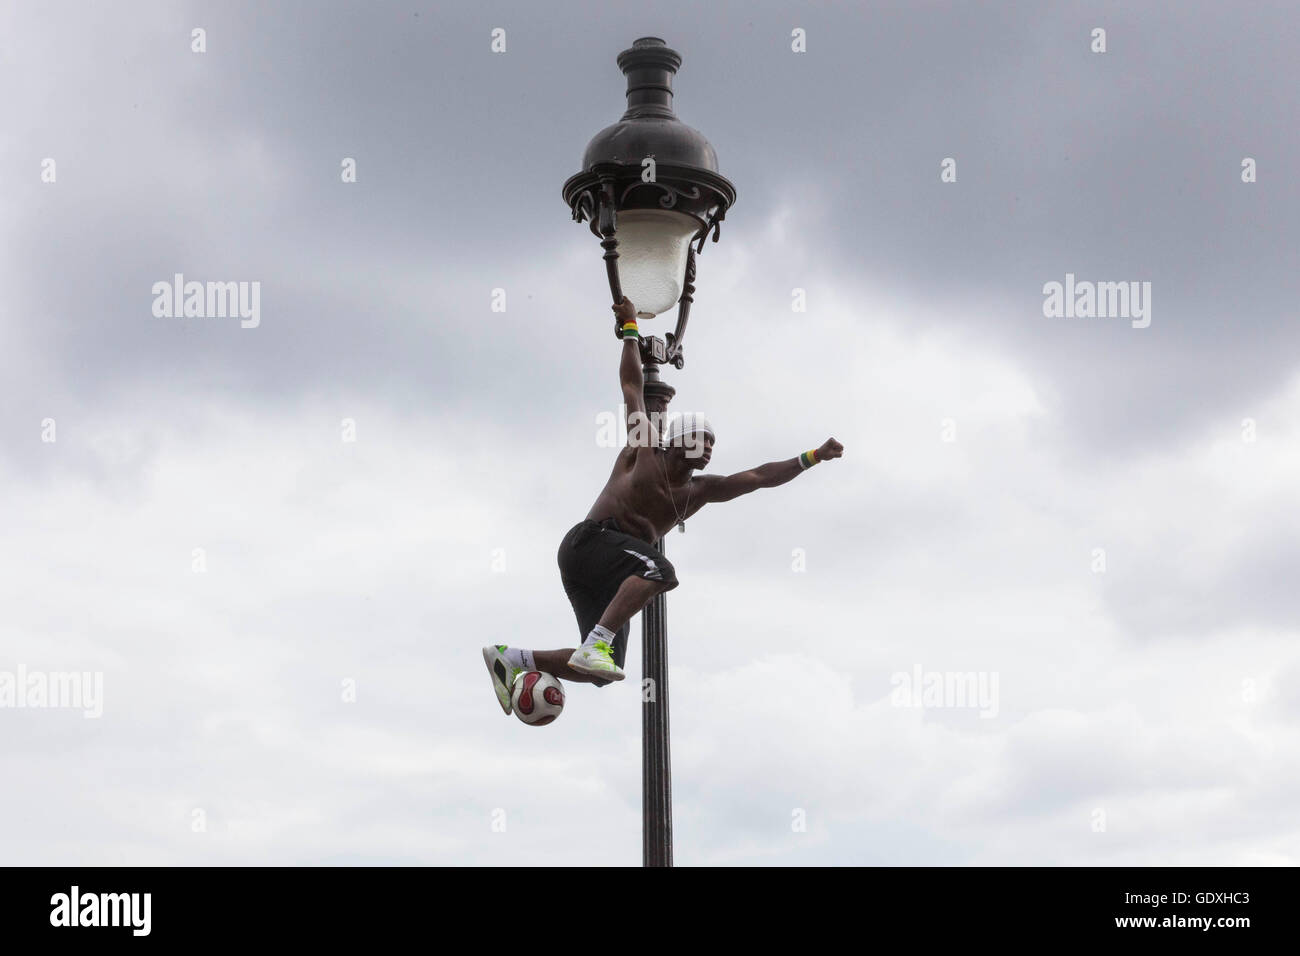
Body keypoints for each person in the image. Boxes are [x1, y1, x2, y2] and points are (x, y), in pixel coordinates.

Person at [483, 297, 844, 714]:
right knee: (659, 569)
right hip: (589, 543)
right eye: (700, 440)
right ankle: (598, 640)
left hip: (606, 577)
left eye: (712, 444)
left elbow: (760, 478)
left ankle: (513, 658)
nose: (708, 449)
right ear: (677, 441)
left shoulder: (700, 491)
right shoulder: (646, 448)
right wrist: (631, 329)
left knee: (604, 671)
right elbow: (632, 387)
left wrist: (813, 456)